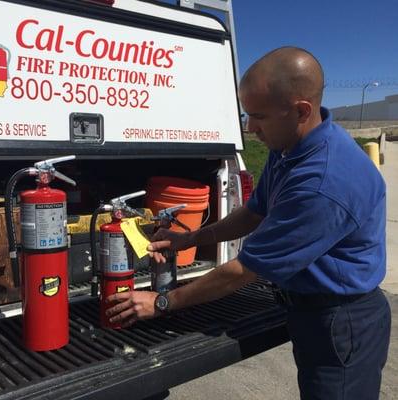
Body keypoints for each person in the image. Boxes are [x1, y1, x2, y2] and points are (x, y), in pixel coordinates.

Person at [106, 47, 391, 399]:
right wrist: (190, 237)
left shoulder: (323, 182)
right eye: (246, 114)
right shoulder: (288, 146)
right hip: (309, 307)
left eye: (258, 116)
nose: (250, 127)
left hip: (342, 320)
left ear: (301, 110)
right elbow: (254, 211)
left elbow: (245, 270)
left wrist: (163, 302)